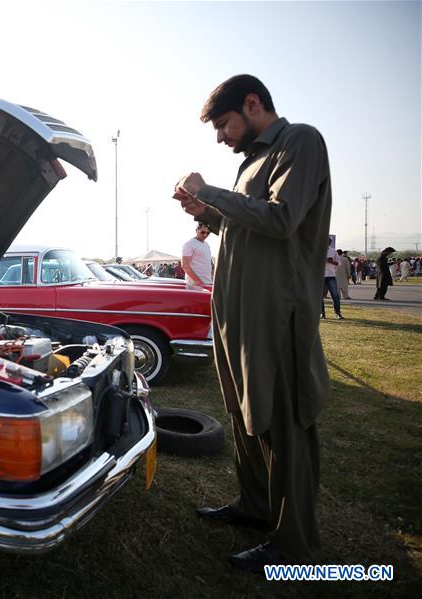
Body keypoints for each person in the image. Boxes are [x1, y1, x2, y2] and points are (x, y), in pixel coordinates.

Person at [172, 74, 331, 571]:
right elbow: (248, 226)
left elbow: (282, 221)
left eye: (224, 124)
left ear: (253, 103)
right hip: (236, 313)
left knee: (283, 422)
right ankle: (256, 507)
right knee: (246, 415)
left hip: (276, 314)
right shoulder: (250, 165)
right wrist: (209, 211)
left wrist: (213, 192)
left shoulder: (299, 141)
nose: (221, 137)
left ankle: (294, 544)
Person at [181, 222, 213, 289]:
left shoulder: (206, 244)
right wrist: (199, 282)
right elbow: (185, 265)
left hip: (207, 283)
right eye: (203, 232)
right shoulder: (189, 244)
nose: (205, 235)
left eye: (208, 233)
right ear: (196, 230)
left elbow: (207, 264)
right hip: (195, 285)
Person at [322, 241, 344, 318]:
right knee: (319, 296)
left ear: (329, 243)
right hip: (320, 276)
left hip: (331, 276)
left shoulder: (333, 251)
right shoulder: (318, 249)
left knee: (335, 295)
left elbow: (339, 263)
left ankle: (338, 313)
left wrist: (332, 261)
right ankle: (322, 313)